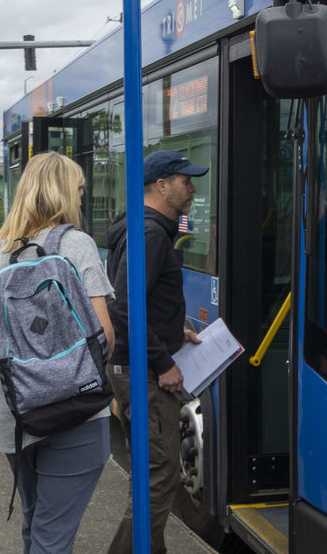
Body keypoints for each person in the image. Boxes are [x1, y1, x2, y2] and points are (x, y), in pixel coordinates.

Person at [0, 152, 116, 554]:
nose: (81, 197)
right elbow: (104, 335)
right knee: (53, 537)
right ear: (65, 193)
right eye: (79, 190)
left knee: (36, 525)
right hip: (77, 414)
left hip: (18, 415)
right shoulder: (76, 245)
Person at [105, 149, 207, 554]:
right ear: (162, 186)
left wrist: (171, 332)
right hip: (142, 371)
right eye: (186, 181)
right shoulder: (149, 233)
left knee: (152, 469)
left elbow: (139, 303)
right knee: (162, 471)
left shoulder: (145, 228)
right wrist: (163, 362)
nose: (192, 188)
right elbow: (126, 306)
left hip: (135, 363)